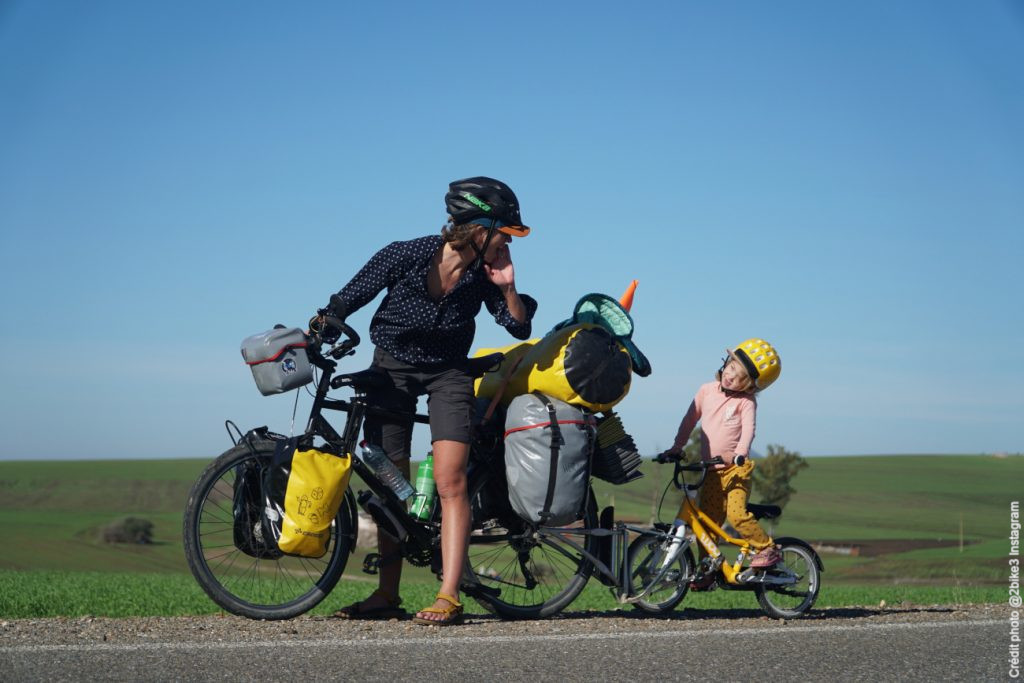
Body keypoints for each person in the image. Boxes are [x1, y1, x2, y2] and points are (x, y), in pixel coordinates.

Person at [318, 176, 537, 626]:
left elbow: (518, 328)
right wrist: (323, 324)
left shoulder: (484, 276)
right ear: (479, 229)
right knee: (389, 480)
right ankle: (386, 594)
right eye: (504, 235)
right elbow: (352, 294)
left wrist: (508, 285)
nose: (507, 245)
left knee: (449, 479)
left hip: (449, 373)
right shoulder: (407, 253)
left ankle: (448, 595)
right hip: (391, 369)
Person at [659, 338, 783, 580]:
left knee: (736, 515)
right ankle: (708, 570)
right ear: (726, 362)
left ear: (750, 386)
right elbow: (689, 419)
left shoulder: (746, 402)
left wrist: (741, 452)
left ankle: (766, 548)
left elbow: (749, 429)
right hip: (712, 472)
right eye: (731, 368)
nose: (731, 377)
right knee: (707, 524)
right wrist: (677, 446)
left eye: (740, 378)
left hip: (736, 470)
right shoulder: (706, 391)